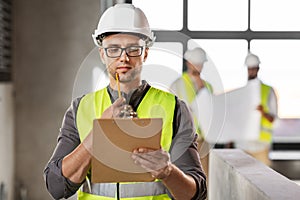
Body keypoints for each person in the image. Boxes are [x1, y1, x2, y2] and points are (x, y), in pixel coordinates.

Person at [44, 3, 207, 200]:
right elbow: (56, 186)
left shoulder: (174, 109)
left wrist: (168, 172)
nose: (124, 58)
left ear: (145, 53)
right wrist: (98, 134)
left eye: (133, 49)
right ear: (102, 54)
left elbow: (196, 194)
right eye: (113, 49)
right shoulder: (81, 109)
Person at [170, 47, 213, 136]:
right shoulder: (177, 84)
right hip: (185, 135)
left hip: (205, 135)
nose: (199, 67)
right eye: (196, 64)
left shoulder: (208, 86)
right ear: (188, 63)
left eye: (200, 64)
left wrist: (202, 88)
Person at [245, 52, 278, 143]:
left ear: (258, 69)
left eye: (253, 68)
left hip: (262, 142)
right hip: (245, 142)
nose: (251, 71)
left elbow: (273, 119)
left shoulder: (268, 90)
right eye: (249, 69)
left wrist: (263, 113)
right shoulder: (244, 91)